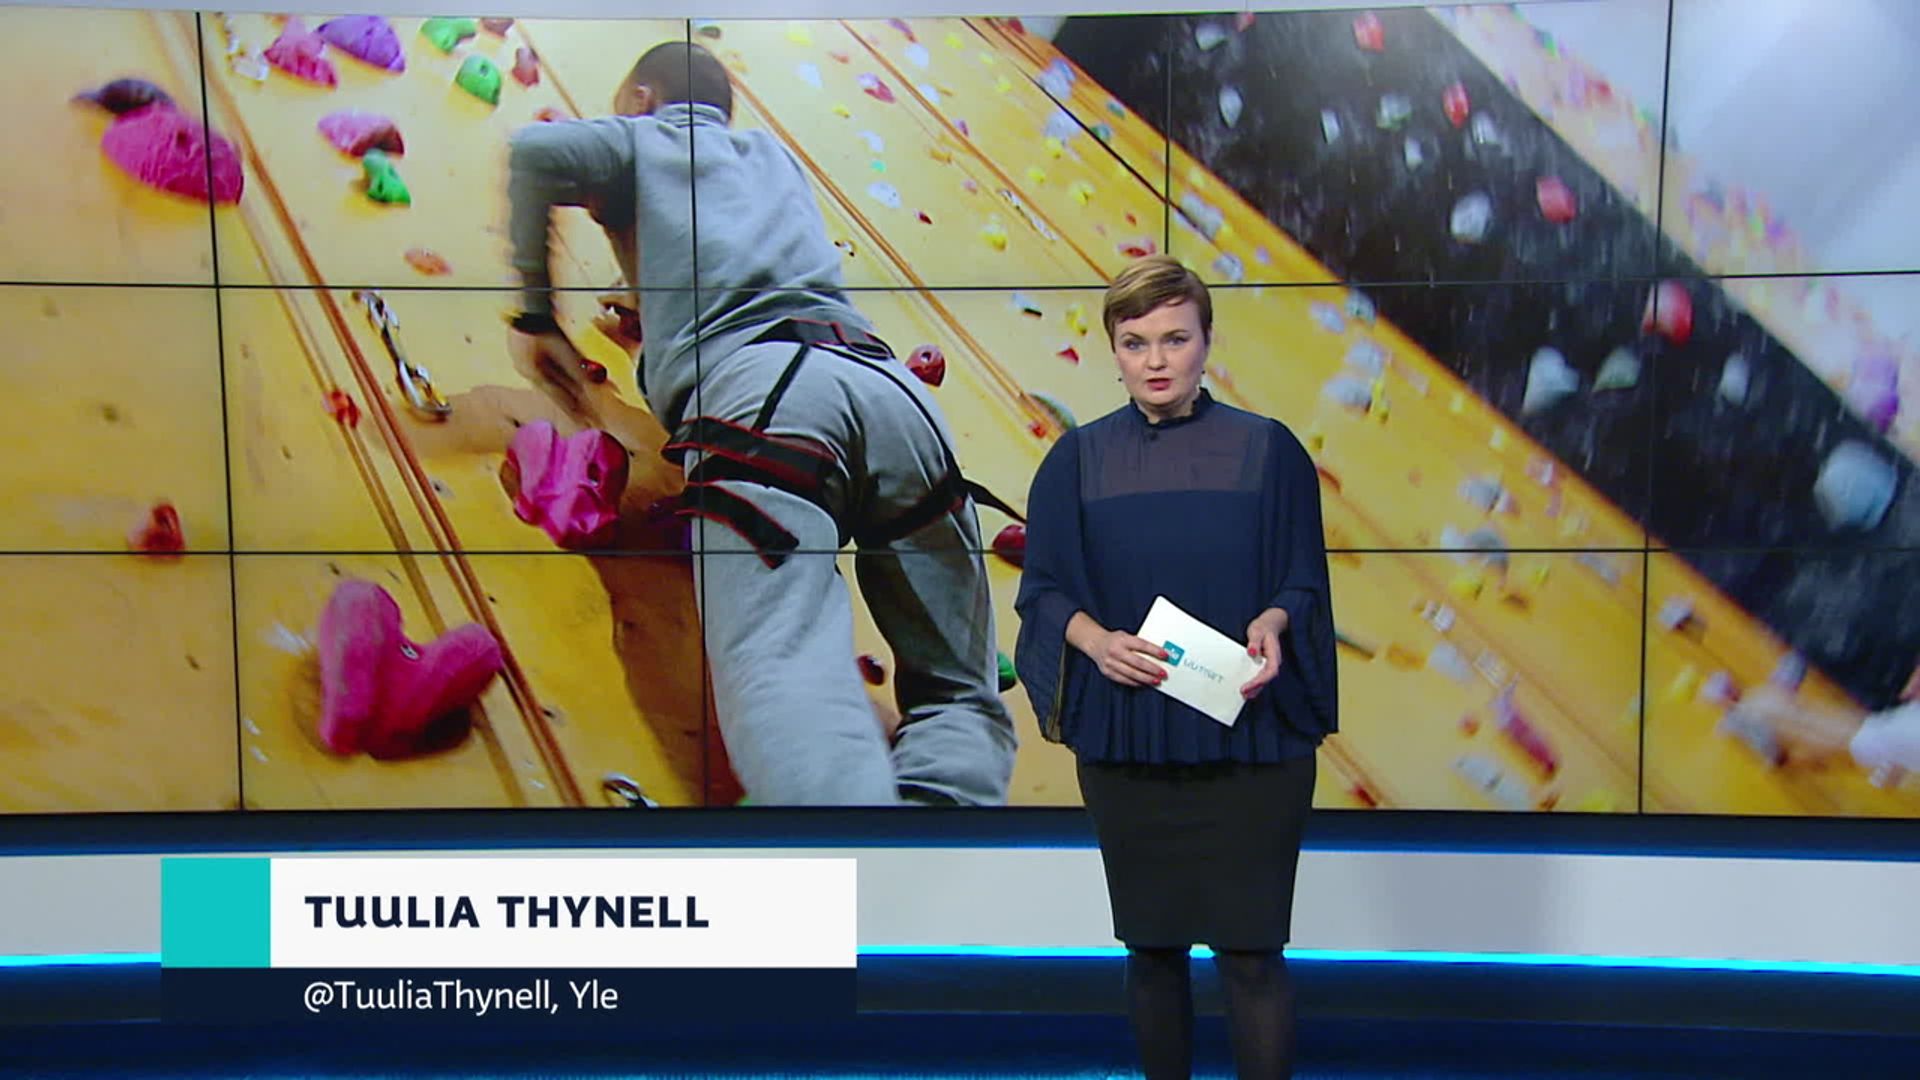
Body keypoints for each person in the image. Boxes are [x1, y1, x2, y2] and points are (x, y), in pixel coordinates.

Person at [500, 40, 1017, 807]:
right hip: (893, 397)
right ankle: (940, 831)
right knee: (959, 690)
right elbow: (745, 276)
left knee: (782, 663)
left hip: (772, 402)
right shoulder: (773, 162)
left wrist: (537, 314)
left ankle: (854, 856)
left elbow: (534, 153)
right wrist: (653, 319)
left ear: (641, 99)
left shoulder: (646, 135)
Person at [1013, 255, 1338, 1078]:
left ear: (1206, 342)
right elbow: (1042, 593)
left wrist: (1275, 620)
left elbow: (1302, 581)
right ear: (1114, 352)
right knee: (1153, 951)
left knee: (1252, 954)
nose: (1156, 361)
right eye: (1136, 343)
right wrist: (1095, 641)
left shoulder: (1269, 451)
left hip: (1250, 745)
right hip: (1130, 741)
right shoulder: (1075, 461)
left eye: (1175, 339)